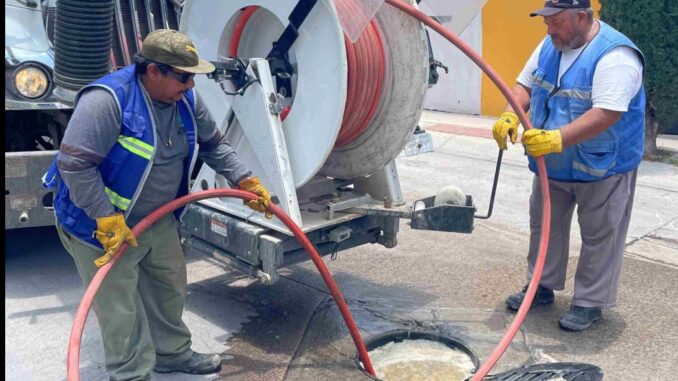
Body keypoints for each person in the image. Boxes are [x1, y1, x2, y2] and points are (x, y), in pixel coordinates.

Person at [42, 29, 273, 379]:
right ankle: (130, 373)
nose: (190, 85)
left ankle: (172, 354)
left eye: (193, 76)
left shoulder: (186, 102)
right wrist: (105, 218)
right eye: (183, 77)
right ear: (153, 71)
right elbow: (74, 165)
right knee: (120, 307)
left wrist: (246, 180)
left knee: (170, 288)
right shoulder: (108, 101)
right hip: (98, 226)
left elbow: (215, 145)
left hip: (157, 219)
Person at [492, 0, 645, 331]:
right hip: (554, 167)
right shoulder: (550, 44)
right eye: (547, 22)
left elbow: (608, 113)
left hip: (602, 167)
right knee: (545, 226)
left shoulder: (615, 56)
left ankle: (589, 302)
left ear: (581, 18)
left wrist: (556, 139)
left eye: (556, 22)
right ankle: (541, 287)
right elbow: (523, 87)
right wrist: (509, 112)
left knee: (600, 234)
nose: (549, 30)